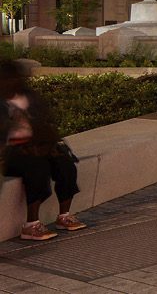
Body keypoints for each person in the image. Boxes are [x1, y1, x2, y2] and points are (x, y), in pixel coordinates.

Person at [0, 61, 87, 240]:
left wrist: (47, 143)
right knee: (37, 167)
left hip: (39, 144)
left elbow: (46, 122)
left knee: (65, 164)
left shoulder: (30, 97)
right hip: (11, 152)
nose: (13, 81)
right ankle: (31, 224)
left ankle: (64, 216)